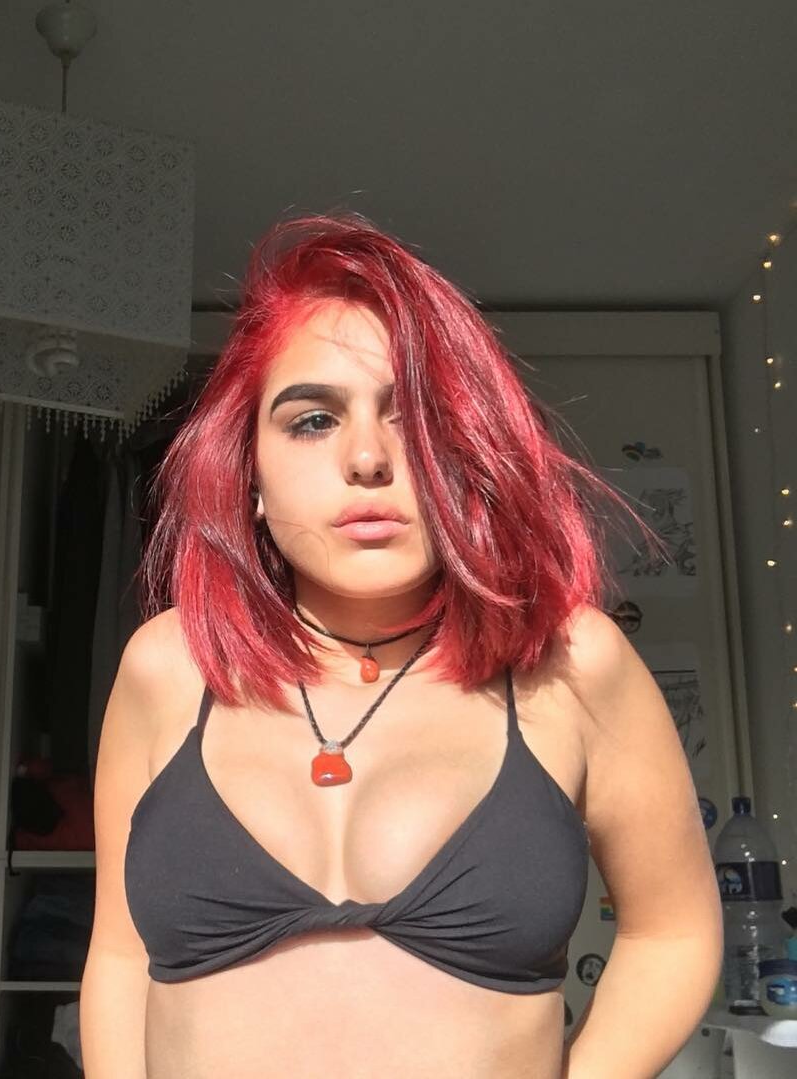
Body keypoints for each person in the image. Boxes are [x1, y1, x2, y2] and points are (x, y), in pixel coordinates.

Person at [78, 212, 723, 1078]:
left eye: (414, 418)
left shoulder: (574, 663)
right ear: (250, 474)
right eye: (313, 420)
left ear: (471, 451)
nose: (368, 457)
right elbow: (120, 957)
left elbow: (672, 933)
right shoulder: (167, 667)